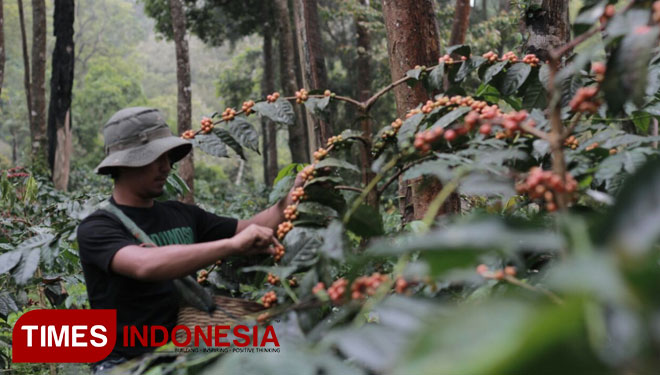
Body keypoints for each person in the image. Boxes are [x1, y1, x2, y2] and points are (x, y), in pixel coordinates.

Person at [76, 107, 300, 373]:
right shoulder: (98, 228)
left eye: (167, 157)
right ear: (123, 164)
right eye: (153, 158)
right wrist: (229, 246)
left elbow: (251, 227)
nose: (165, 167)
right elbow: (144, 265)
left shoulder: (182, 215)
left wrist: (295, 194)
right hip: (126, 365)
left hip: (182, 359)